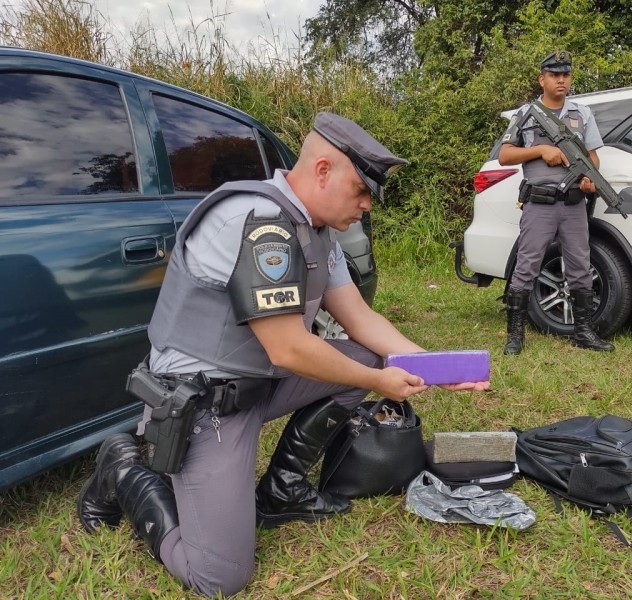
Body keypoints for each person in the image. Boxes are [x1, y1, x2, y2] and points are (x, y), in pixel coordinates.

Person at [76, 112, 489, 597]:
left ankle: (282, 490)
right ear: (322, 172)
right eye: (360, 191)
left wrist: (436, 368)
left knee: (366, 359)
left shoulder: (317, 230)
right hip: (204, 404)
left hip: (257, 382)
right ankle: (123, 466)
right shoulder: (258, 222)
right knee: (220, 576)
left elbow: (360, 320)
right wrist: (382, 383)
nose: (365, 206)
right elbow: (289, 347)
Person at [498, 50, 614, 355]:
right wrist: (539, 151)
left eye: (565, 75)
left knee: (580, 267)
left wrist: (590, 179)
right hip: (539, 204)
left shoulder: (581, 114)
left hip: (574, 204)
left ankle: (583, 332)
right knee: (526, 267)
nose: (561, 80)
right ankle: (515, 336)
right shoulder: (526, 114)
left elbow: (593, 157)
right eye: (554, 75)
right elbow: (505, 155)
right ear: (542, 79)